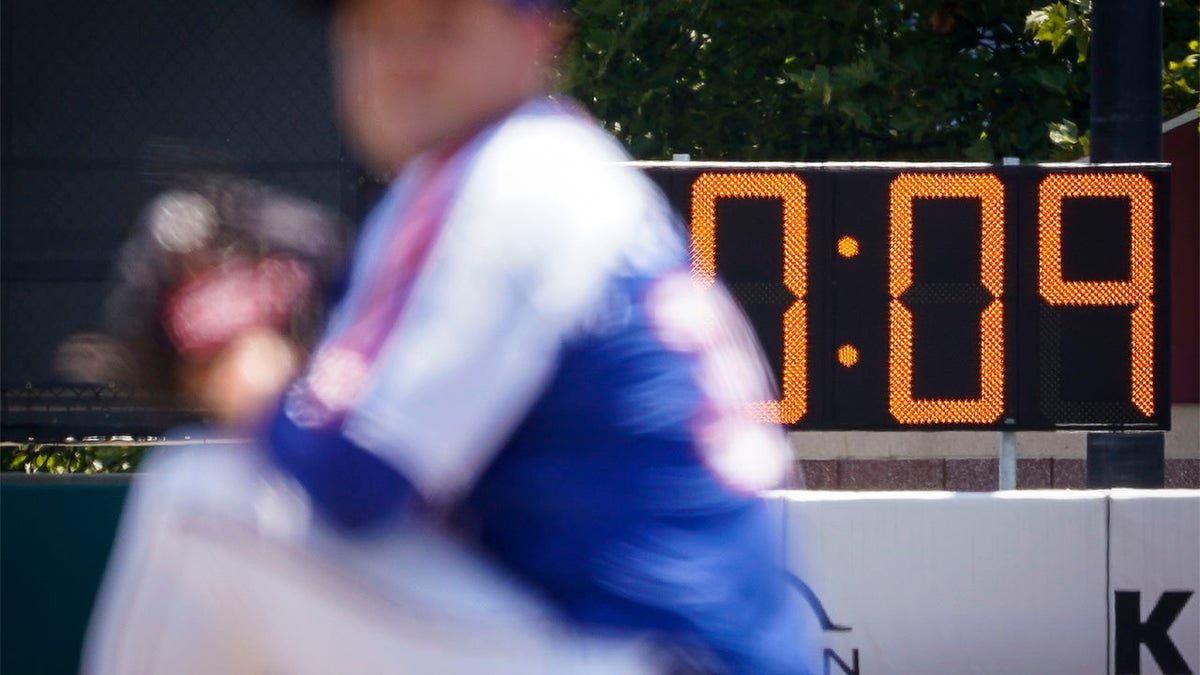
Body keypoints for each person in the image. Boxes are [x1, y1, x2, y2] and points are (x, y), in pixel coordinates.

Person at [83, 0, 815, 673]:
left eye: (440, 23)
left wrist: (250, 379)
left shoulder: (516, 177)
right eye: (371, 31)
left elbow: (358, 482)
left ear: (539, 38)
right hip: (631, 641)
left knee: (196, 498)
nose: (399, 58)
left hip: (639, 653)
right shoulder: (535, 166)